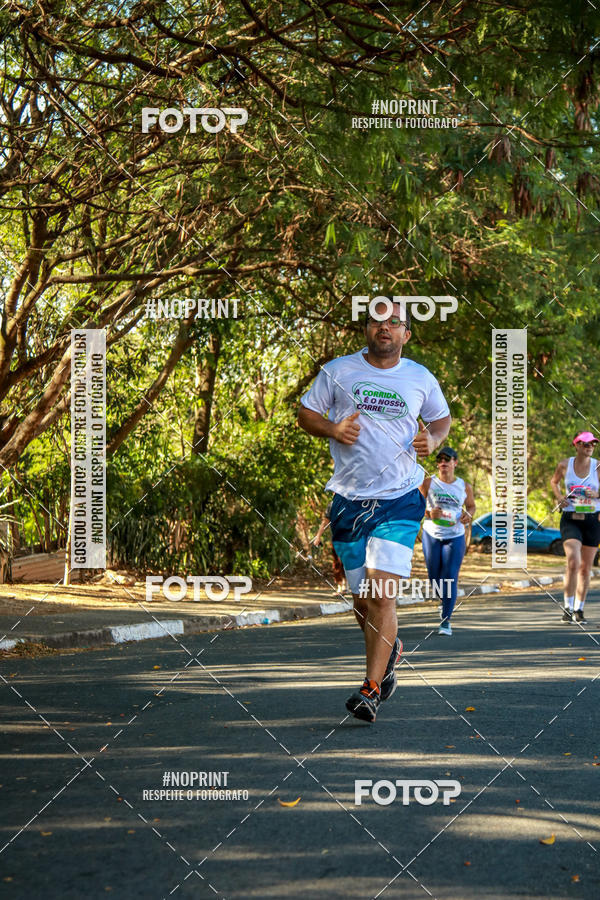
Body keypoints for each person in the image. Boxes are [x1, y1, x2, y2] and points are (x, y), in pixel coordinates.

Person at [298, 299, 451, 722]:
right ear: (366, 329)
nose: (385, 327)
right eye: (376, 321)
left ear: (406, 333)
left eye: (394, 322)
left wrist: (433, 441)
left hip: (400, 498)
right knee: (362, 602)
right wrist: (332, 427)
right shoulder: (338, 370)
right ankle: (391, 651)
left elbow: (441, 420)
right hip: (348, 499)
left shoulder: (420, 377)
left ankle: (370, 689)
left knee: (383, 594)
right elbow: (305, 413)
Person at [419, 447, 476, 635]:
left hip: (455, 535)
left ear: (455, 463)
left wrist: (468, 515)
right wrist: (428, 513)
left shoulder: (464, 486)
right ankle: (444, 602)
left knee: (450, 576)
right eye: (440, 459)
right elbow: (416, 506)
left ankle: (446, 620)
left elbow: (471, 506)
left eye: (447, 459)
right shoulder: (428, 483)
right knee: (435, 576)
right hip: (432, 534)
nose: (443, 462)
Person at [550, 430, 600, 623]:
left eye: (593, 444)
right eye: (586, 444)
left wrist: (596, 495)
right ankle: (567, 608)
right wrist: (559, 497)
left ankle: (579, 609)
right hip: (571, 518)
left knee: (585, 568)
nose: (590, 447)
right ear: (576, 445)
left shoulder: (597, 467)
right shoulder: (565, 464)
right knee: (573, 561)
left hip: (592, 520)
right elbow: (554, 482)